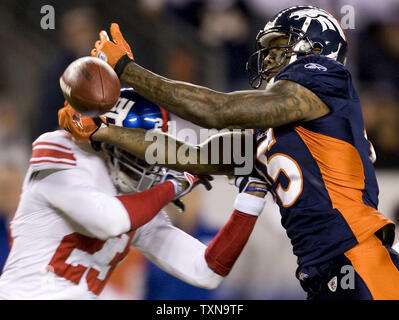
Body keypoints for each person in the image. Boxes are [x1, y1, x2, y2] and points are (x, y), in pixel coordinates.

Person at [60, 5, 399, 300]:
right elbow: (188, 157)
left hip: (360, 259)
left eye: (279, 46)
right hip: (323, 272)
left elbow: (217, 110)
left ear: (315, 49)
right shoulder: (268, 131)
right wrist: (104, 131)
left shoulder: (327, 84)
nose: (268, 57)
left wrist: (126, 70)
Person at [0, 89, 268, 299]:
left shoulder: (138, 204)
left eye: (154, 148)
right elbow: (109, 220)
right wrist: (180, 181)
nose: (150, 160)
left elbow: (205, 271)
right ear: (111, 140)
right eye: (139, 147)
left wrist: (252, 196)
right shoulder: (57, 150)